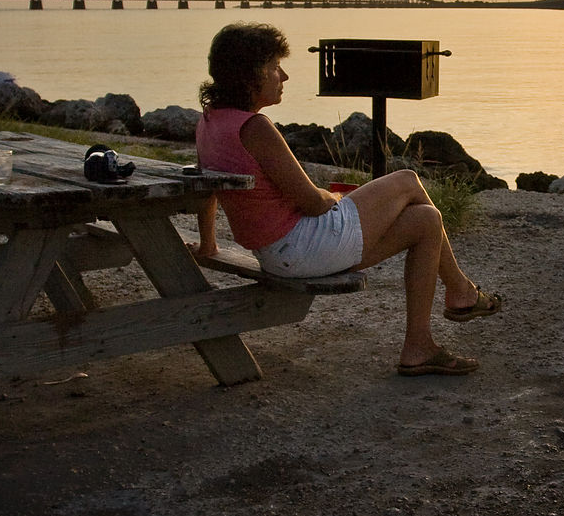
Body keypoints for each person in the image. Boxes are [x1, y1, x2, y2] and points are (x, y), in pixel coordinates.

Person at [192, 22, 501, 377]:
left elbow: (206, 187)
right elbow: (311, 203)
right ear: (253, 74)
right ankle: (461, 291)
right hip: (304, 246)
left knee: (427, 220)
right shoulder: (256, 128)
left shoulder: (210, 122)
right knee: (407, 180)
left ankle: (419, 346)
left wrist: (208, 245)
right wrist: (334, 196)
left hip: (278, 253)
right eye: (277, 66)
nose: (285, 76)